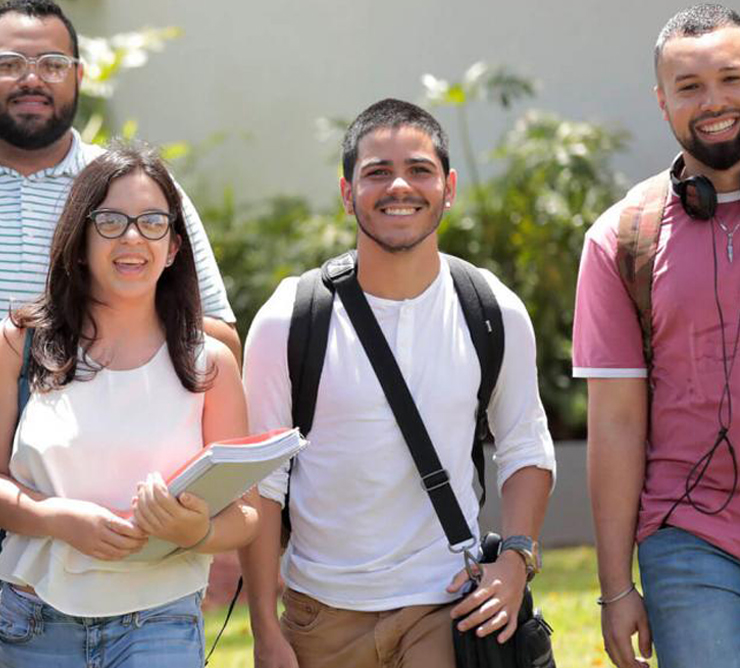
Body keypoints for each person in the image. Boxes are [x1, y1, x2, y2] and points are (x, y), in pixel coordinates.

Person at [0, 3, 241, 650]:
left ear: (79, 75)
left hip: (105, 526)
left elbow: (215, 336)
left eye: (52, 64)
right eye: (10, 63)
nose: (31, 78)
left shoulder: (131, 188)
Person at [237, 99, 555, 668]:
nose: (399, 186)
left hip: (447, 606)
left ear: (449, 187)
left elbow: (526, 444)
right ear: (346, 192)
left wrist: (516, 558)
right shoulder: (291, 317)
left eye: (420, 170)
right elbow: (262, 484)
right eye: (377, 173)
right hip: (320, 616)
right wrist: (266, 626)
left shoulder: (491, 309)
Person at [0, 141, 259, 667]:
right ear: (79, 240)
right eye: (110, 221)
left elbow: (246, 514)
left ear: (173, 246)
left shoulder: (209, 362)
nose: (131, 237)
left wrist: (198, 532)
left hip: (160, 621)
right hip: (35, 622)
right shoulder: (19, 342)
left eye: (152, 222)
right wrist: (57, 518)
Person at [574, 5, 740, 667]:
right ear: (662, 102)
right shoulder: (623, 238)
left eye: (731, 78)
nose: (715, 101)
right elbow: (614, 422)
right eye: (690, 86)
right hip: (688, 534)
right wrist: (616, 588)